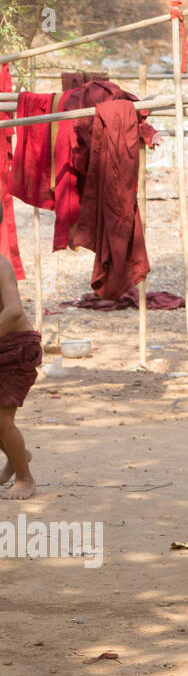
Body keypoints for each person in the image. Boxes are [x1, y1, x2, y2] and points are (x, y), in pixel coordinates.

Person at [0, 200, 41, 501]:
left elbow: (13, 311)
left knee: (2, 419)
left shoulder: (0, 263)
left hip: (16, 348)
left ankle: (25, 477)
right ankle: (18, 456)